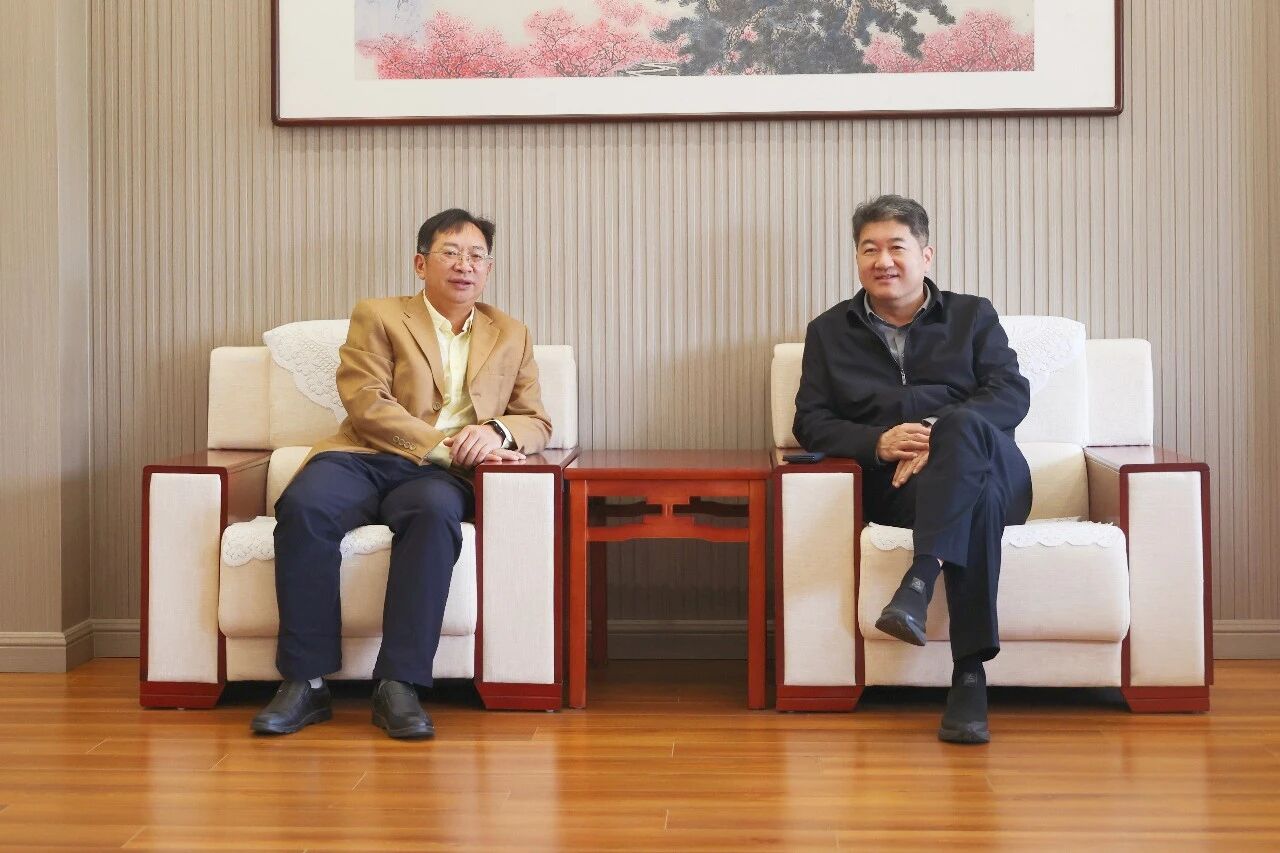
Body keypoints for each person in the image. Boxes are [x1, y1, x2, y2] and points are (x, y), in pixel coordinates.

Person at [251, 208, 552, 739]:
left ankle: (399, 685)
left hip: (441, 479)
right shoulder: (379, 315)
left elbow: (536, 420)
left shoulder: (511, 333)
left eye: (476, 256)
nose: (464, 265)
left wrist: (497, 432)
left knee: (434, 517)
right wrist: (440, 446)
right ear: (420, 263)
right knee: (304, 506)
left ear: (488, 269)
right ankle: (306, 683)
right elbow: (366, 401)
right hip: (363, 455)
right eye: (450, 253)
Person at [793, 194, 1031, 745]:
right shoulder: (828, 331)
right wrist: (877, 442)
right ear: (857, 258)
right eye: (869, 249)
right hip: (904, 487)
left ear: (926, 255)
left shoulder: (973, 316)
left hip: (999, 472)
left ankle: (920, 578)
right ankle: (969, 676)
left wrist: (937, 433)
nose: (883, 261)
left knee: (965, 426)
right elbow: (810, 421)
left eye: (896, 247)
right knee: (974, 500)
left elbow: (1010, 393)